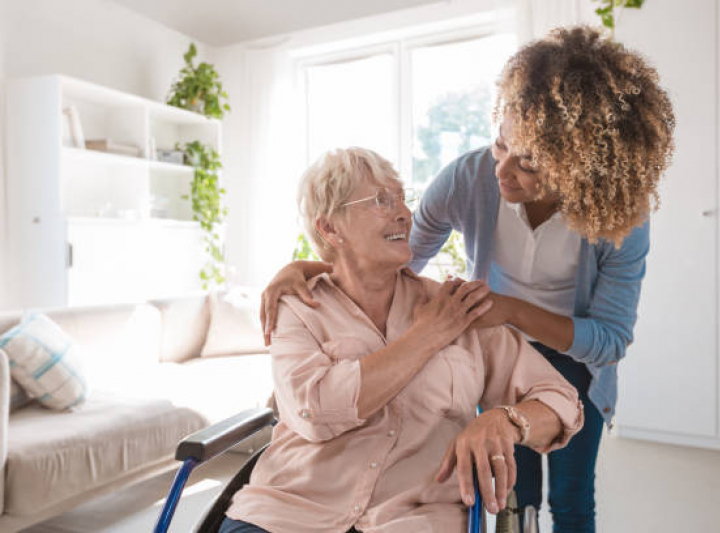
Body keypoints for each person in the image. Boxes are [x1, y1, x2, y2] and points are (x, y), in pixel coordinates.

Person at [260, 27, 675, 532]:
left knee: (570, 499)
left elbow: (609, 340)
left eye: (529, 165)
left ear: (580, 173)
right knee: (510, 495)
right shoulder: (469, 177)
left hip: (572, 357)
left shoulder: (619, 219)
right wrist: (315, 266)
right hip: (489, 344)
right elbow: (397, 261)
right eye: (501, 144)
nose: (503, 172)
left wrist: (510, 310)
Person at [223, 147, 583, 533]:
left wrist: (506, 420)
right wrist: (427, 336)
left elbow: (562, 402)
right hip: (289, 513)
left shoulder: (457, 307)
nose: (404, 213)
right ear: (329, 228)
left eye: (401, 198)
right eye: (381, 200)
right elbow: (316, 412)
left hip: (412, 520)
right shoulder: (297, 306)